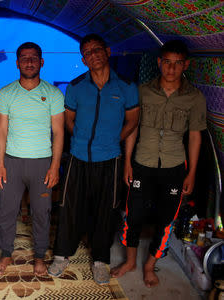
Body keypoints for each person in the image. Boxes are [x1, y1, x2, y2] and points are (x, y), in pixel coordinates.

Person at [111, 40, 207, 287]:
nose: (171, 69)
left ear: (185, 65)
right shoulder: (142, 91)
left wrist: (192, 173)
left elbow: (195, 135)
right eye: (167, 63)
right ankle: (130, 261)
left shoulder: (194, 97)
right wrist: (128, 163)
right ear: (159, 62)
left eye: (177, 64)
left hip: (175, 166)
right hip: (142, 162)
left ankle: (149, 265)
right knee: (134, 215)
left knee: (166, 219)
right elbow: (132, 128)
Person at [48, 34, 139, 285]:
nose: (93, 55)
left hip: (110, 158)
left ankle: (101, 260)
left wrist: (113, 139)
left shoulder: (126, 86)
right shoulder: (76, 86)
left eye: (97, 50)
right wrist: (80, 139)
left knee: (106, 211)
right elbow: (68, 119)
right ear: (83, 59)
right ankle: (61, 255)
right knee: (68, 207)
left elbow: (133, 120)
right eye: (87, 53)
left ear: (108, 51)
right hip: (78, 157)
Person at [0, 42, 65, 276]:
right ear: (17, 63)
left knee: (41, 212)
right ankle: (5, 254)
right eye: (24, 58)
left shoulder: (53, 94)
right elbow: (1, 131)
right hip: (12, 162)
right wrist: (0, 164)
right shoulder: (5, 93)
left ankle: (39, 256)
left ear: (42, 62)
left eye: (34, 58)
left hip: (42, 162)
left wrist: (55, 166)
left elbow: (59, 132)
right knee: (6, 210)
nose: (29, 62)